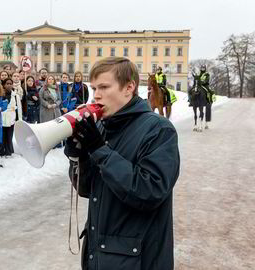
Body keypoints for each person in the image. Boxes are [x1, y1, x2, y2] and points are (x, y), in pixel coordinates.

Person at [64, 57, 180, 270]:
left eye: (104, 87)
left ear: (129, 88)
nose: (96, 95)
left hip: (138, 261)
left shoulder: (158, 130)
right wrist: (77, 156)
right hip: (99, 257)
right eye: (94, 88)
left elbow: (150, 190)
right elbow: (86, 189)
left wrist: (100, 151)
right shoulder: (102, 127)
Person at [1, 78, 22, 157]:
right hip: (2, 118)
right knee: (2, 136)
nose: (9, 85)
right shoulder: (1, 95)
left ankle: (9, 151)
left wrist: (19, 119)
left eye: (10, 83)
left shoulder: (15, 95)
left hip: (11, 118)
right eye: (7, 83)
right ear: (4, 85)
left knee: (9, 136)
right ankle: (2, 151)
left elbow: (19, 108)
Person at [198, 65, 214, 129]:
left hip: (205, 85)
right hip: (199, 85)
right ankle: (191, 100)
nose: (202, 69)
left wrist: (202, 82)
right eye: (202, 68)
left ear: (205, 69)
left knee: (209, 91)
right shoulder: (199, 74)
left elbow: (207, 80)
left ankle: (209, 100)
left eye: (203, 68)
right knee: (192, 90)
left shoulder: (207, 74)